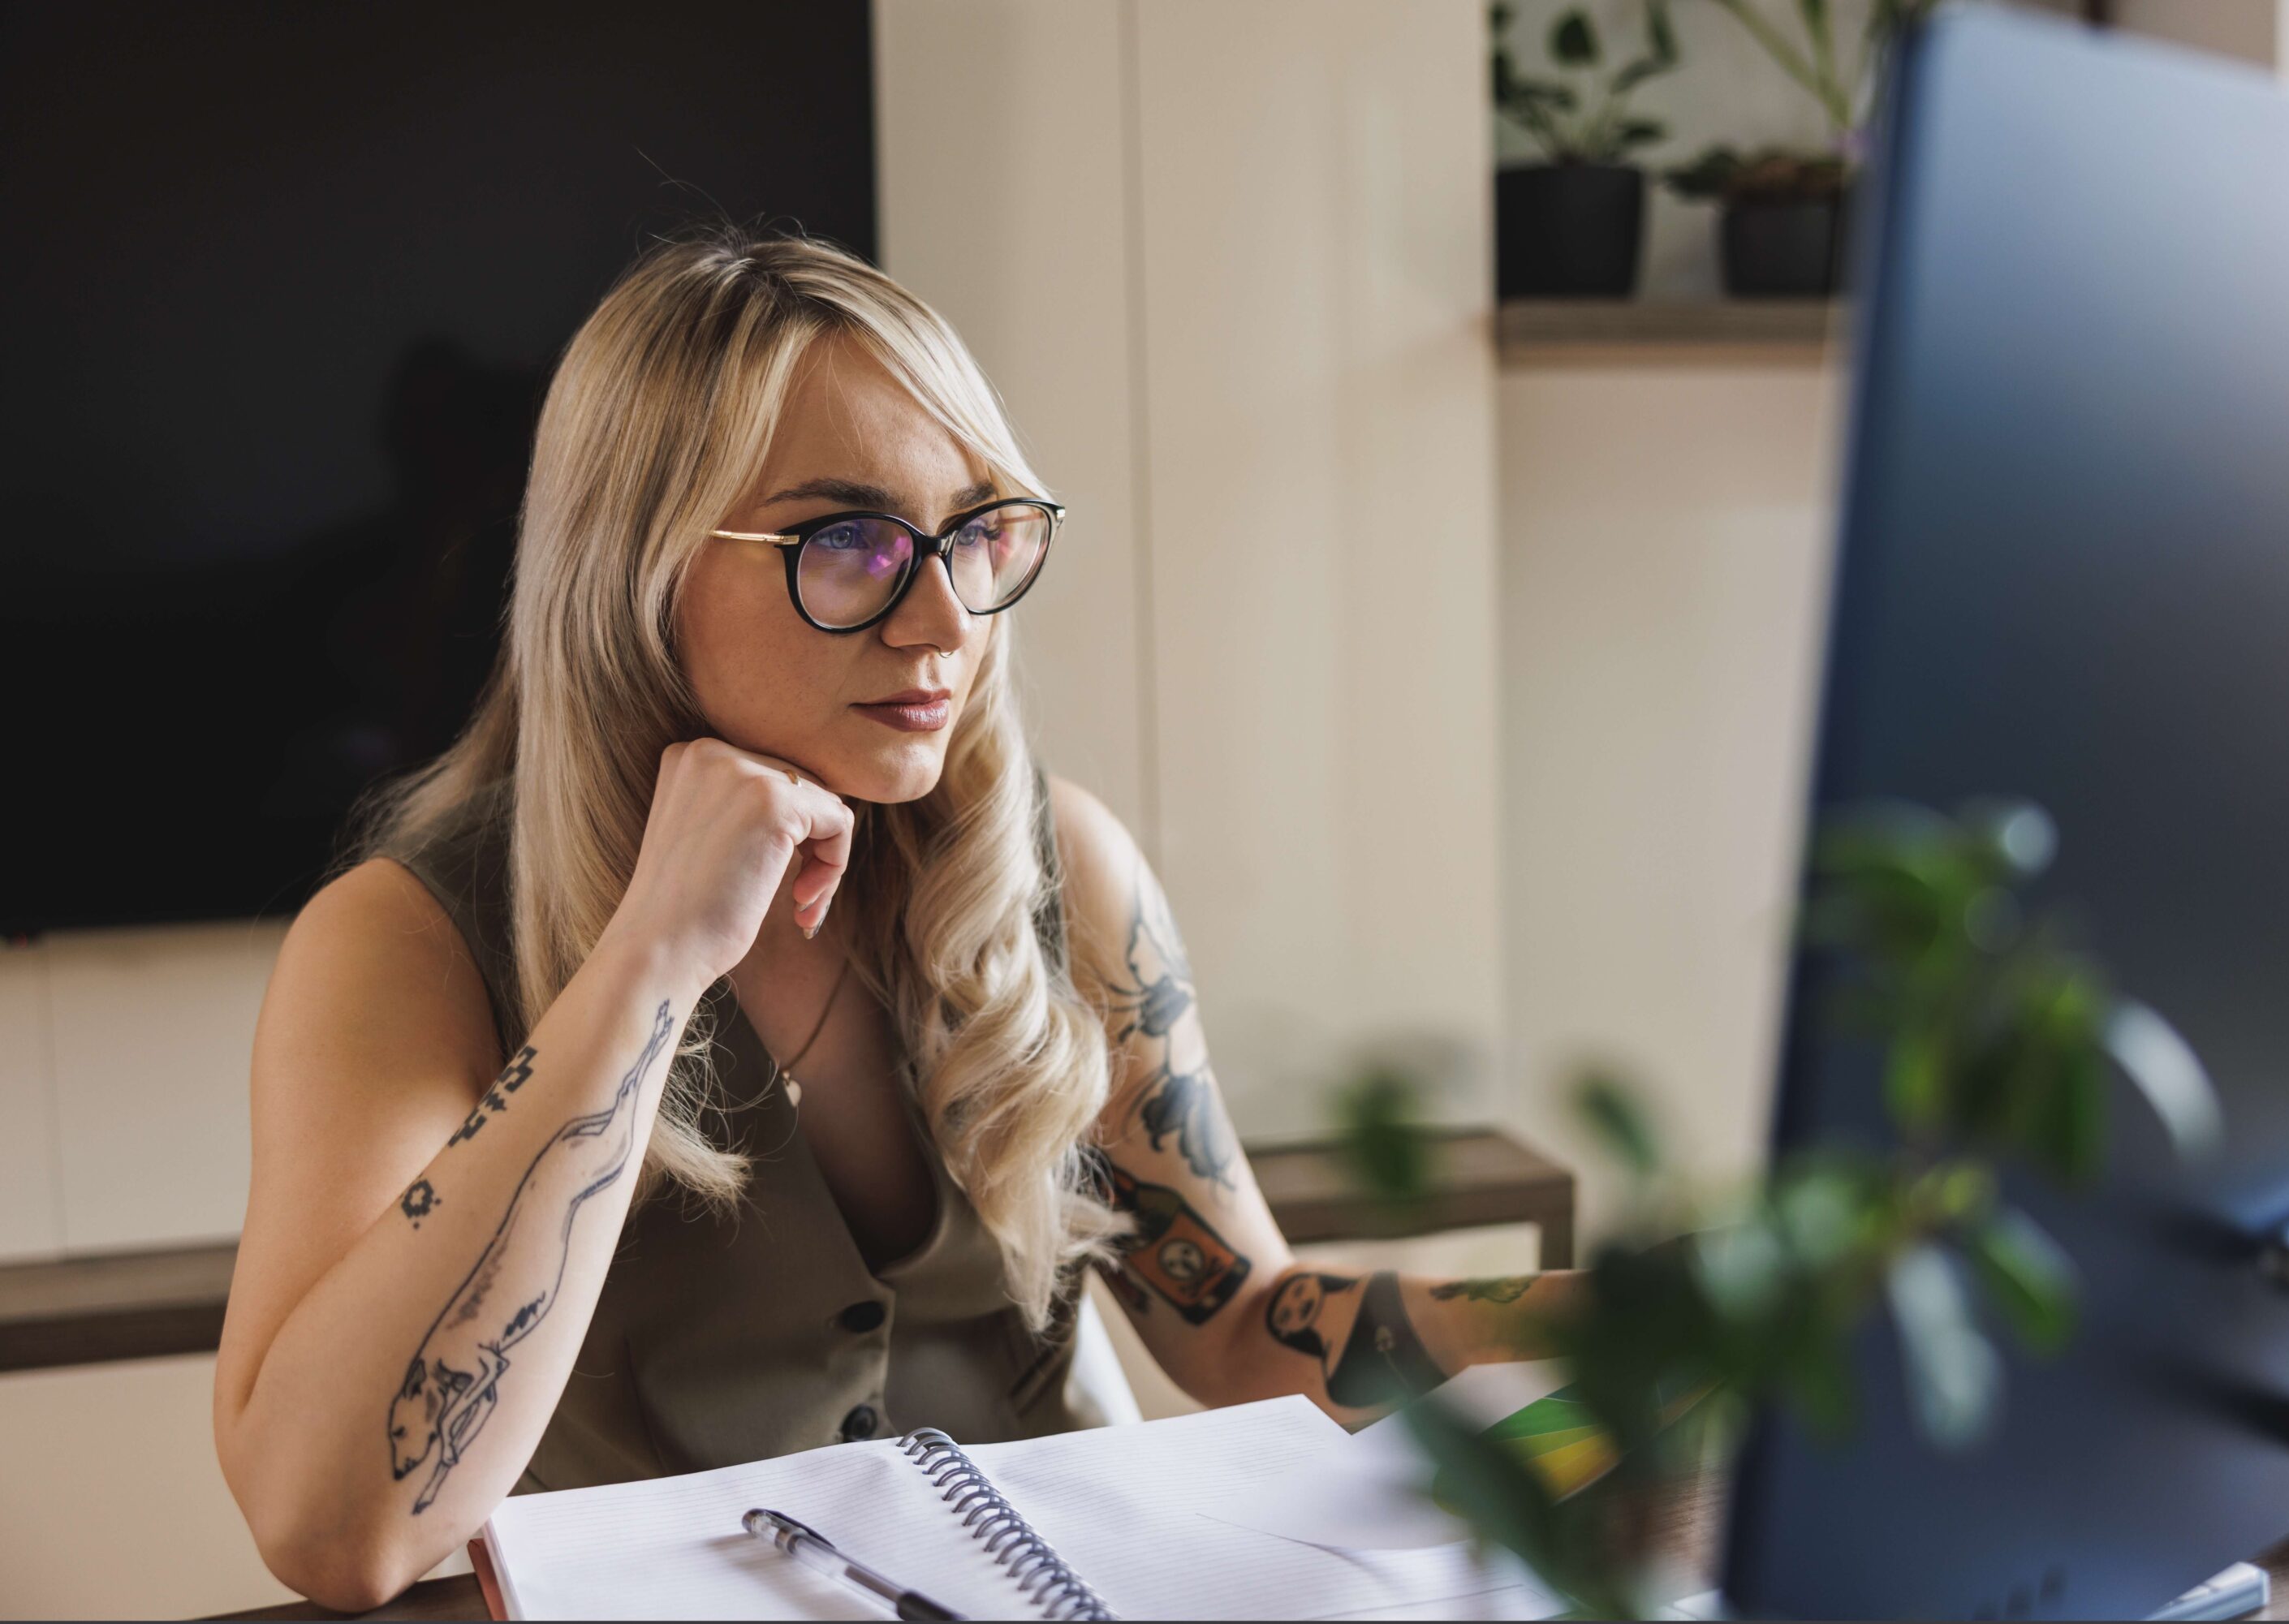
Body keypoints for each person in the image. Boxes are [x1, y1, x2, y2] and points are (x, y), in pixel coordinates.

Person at [211, 228, 1577, 1611]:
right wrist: (650, 960)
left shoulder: (1057, 871)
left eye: (976, 531)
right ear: (635, 565)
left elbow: (1239, 1324)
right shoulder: (406, 944)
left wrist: (1629, 1311)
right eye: (851, 541)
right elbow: (337, 1535)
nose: (944, 618)